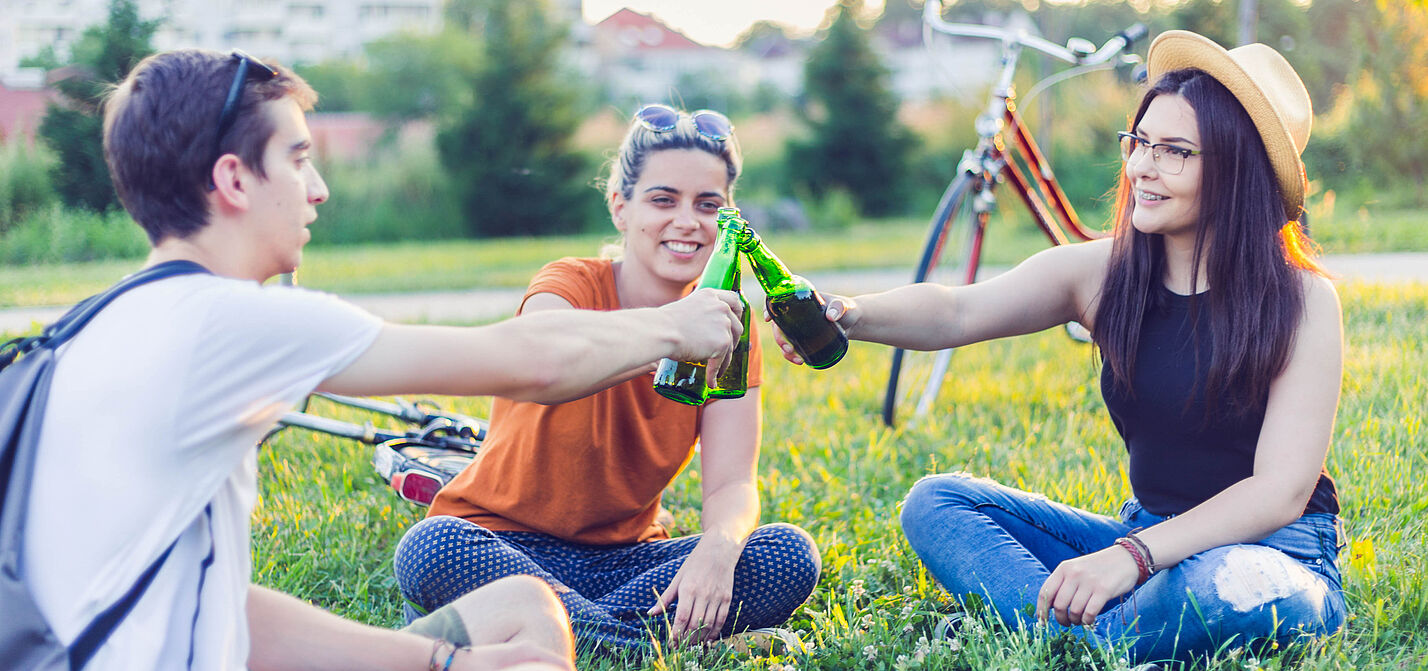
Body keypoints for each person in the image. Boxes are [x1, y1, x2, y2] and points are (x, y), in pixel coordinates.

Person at [23, 50, 748, 670]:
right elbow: (534, 362)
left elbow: (215, 610)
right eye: (298, 160)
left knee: (528, 607)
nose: (319, 189)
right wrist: (675, 327)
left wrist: (445, 659)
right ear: (236, 181)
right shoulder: (236, 321)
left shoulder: (105, 320)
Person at [779, 32, 1346, 662]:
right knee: (937, 503)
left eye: (1174, 152)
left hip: (1271, 552)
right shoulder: (1104, 273)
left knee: (1238, 589)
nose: (1142, 169)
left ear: (1238, 169)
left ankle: (1069, 636)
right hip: (1145, 540)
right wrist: (848, 315)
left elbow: (1280, 492)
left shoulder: (1302, 301)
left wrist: (1129, 560)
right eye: (1140, 143)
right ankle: (1098, 640)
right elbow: (956, 310)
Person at [392, 104, 821, 653]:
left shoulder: (730, 327)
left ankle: (562, 637)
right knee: (430, 546)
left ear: (729, 218)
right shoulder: (570, 283)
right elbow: (542, 356)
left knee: (786, 553)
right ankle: (643, 648)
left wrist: (718, 548)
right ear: (621, 207)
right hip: (497, 545)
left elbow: (732, 483)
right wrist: (669, 333)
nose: (687, 221)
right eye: (663, 200)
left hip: (626, 562)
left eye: (708, 204)